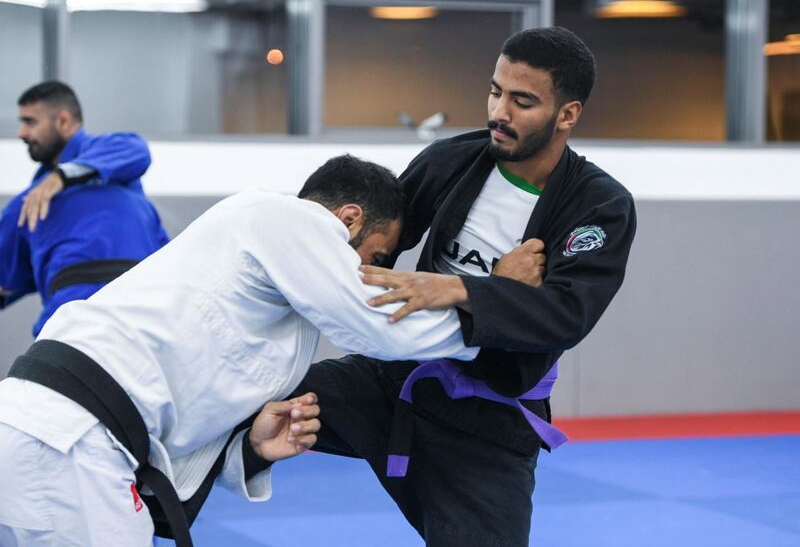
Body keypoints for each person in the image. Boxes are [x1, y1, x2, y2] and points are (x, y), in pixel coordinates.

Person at [0, 154, 478, 547]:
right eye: (376, 259)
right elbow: (382, 329)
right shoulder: (287, 217)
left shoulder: (266, 292)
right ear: (348, 219)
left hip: (45, 431)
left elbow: (184, 410)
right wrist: (491, 305)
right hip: (69, 441)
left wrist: (249, 450)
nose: (376, 275)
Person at [291, 27, 637, 546]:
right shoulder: (451, 160)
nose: (500, 112)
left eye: (523, 101)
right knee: (243, 395)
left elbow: (567, 313)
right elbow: (382, 234)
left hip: (488, 421)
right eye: (496, 92)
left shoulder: (598, 205)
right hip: (391, 381)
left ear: (567, 114)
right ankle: (147, 507)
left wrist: (461, 290)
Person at [0, 81, 168, 336]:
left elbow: (135, 148)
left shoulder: (116, 160)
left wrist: (62, 177)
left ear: (64, 121)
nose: (21, 133)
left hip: (127, 306)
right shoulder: (28, 204)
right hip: (110, 314)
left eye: (30, 122)